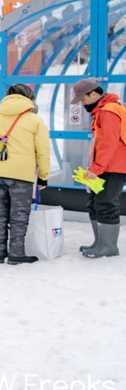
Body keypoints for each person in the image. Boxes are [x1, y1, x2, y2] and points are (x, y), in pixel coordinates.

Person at [0, 84, 50, 265]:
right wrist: (43, 175)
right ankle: (16, 253)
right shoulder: (34, 120)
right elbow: (43, 151)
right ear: (29, 98)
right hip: (22, 175)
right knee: (19, 215)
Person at [72, 78, 126, 258]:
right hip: (106, 166)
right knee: (95, 203)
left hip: (113, 166)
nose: (82, 103)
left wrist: (97, 167)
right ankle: (100, 243)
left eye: (83, 99)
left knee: (106, 203)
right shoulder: (101, 111)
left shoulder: (109, 111)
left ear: (94, 93)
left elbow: (109, 143)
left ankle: (109, 247)